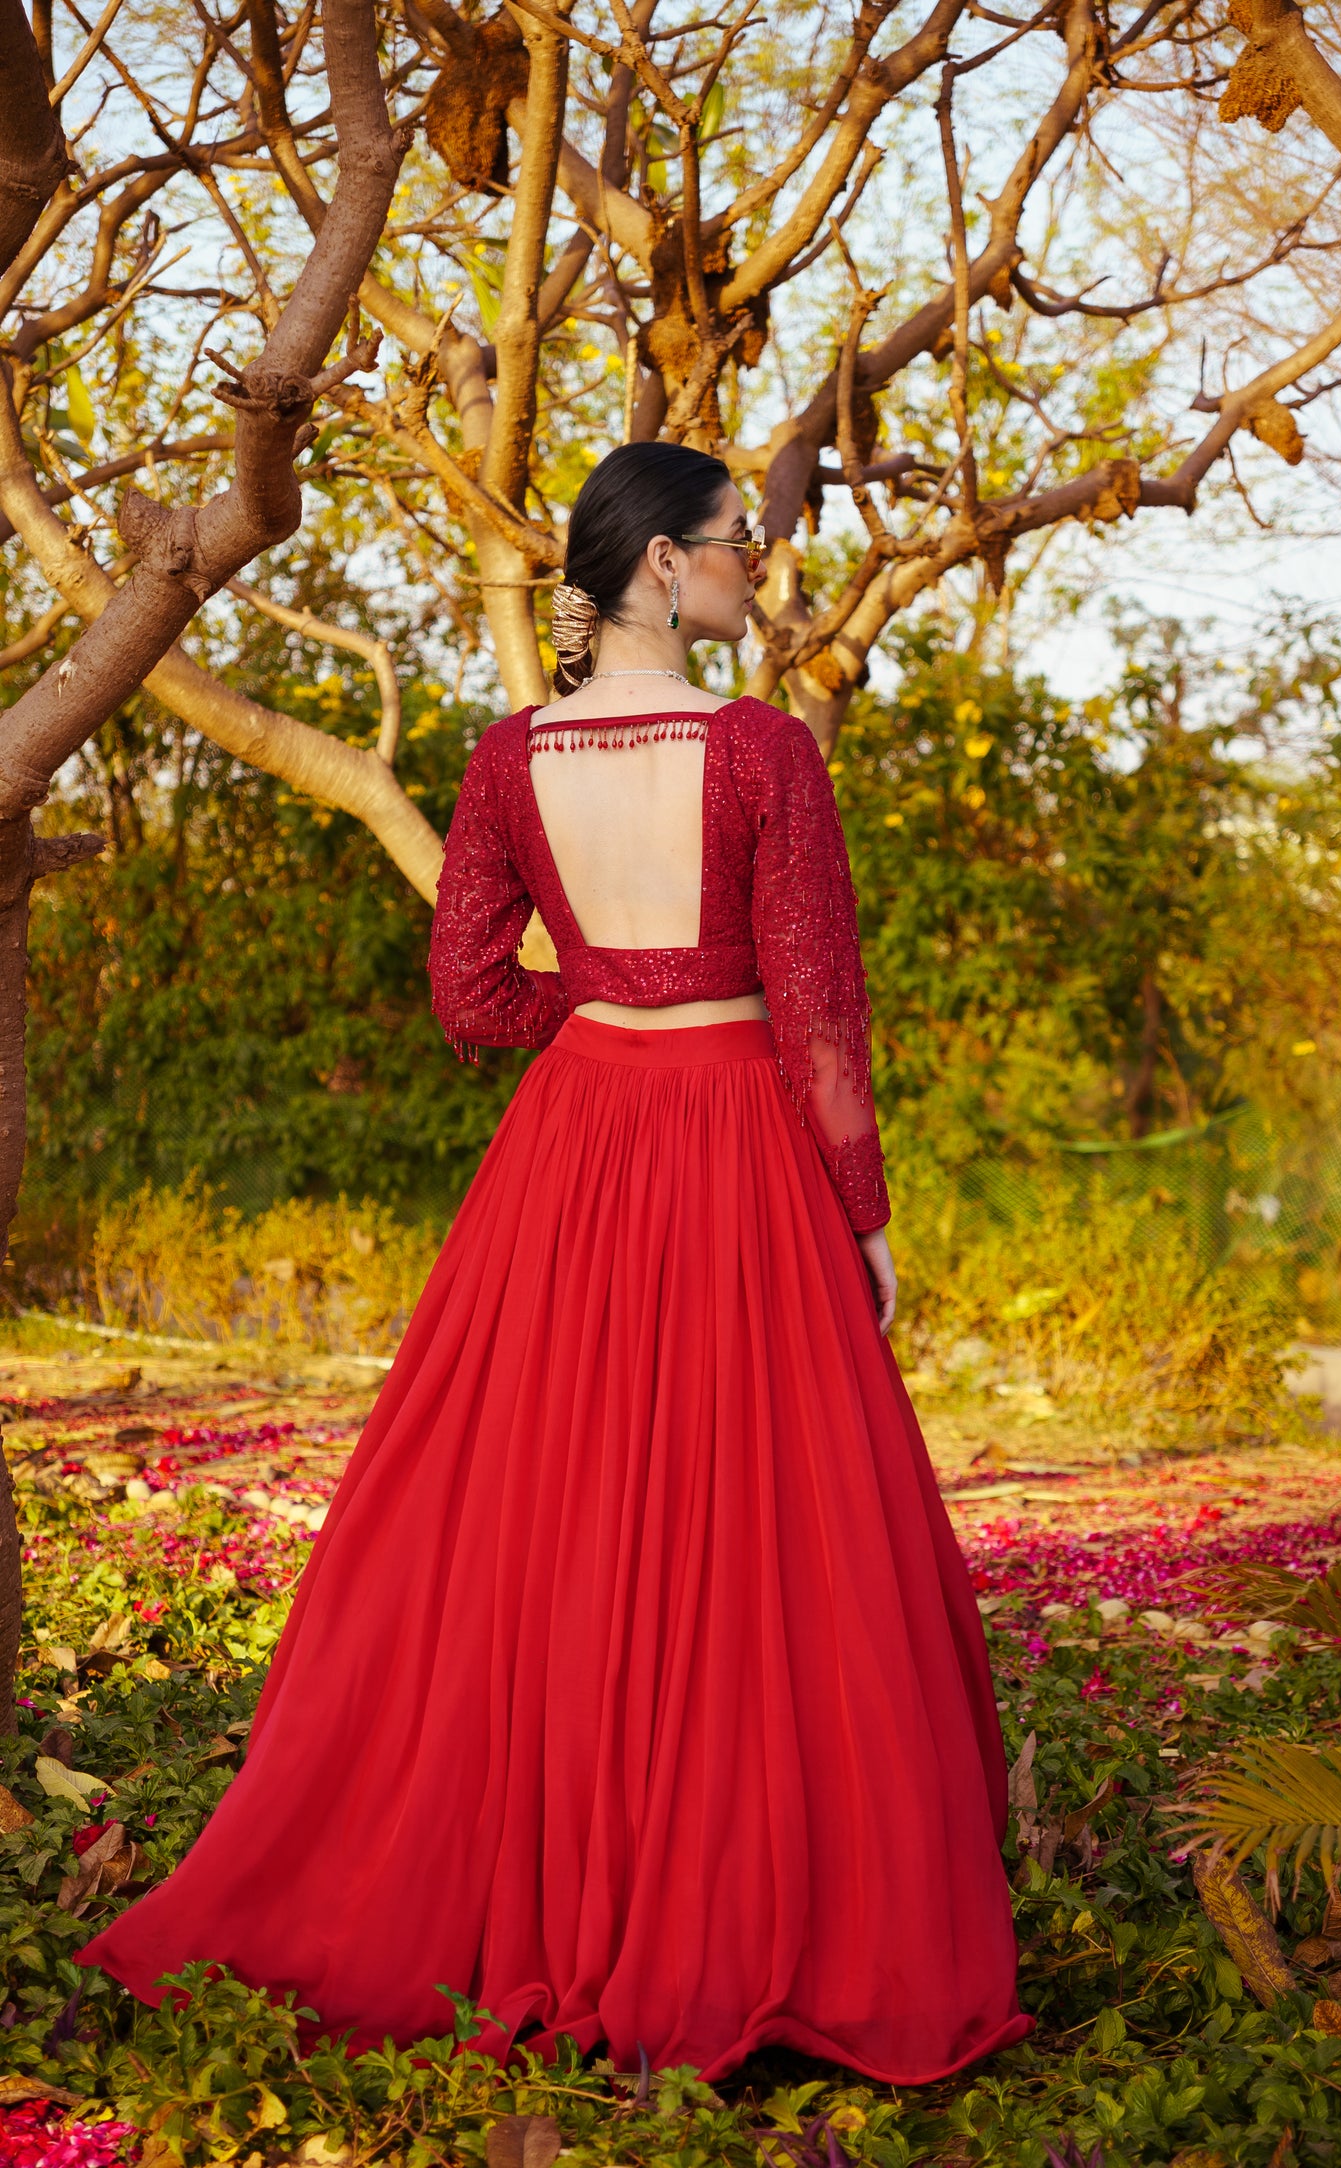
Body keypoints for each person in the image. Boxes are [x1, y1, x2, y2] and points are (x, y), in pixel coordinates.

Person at [79, 442, 1029, 2084]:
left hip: (576, 1141)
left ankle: (525, 1887)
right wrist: (863, 1209)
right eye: (738, 544)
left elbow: (468, 999)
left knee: (541, 1511)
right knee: (764, 1528)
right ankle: (752, 1911)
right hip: (735, 1143)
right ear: (662, 563)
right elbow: (816, 1019)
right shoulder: (761, 755)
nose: (754, 570)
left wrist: (587, 1019)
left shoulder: (508, 758)